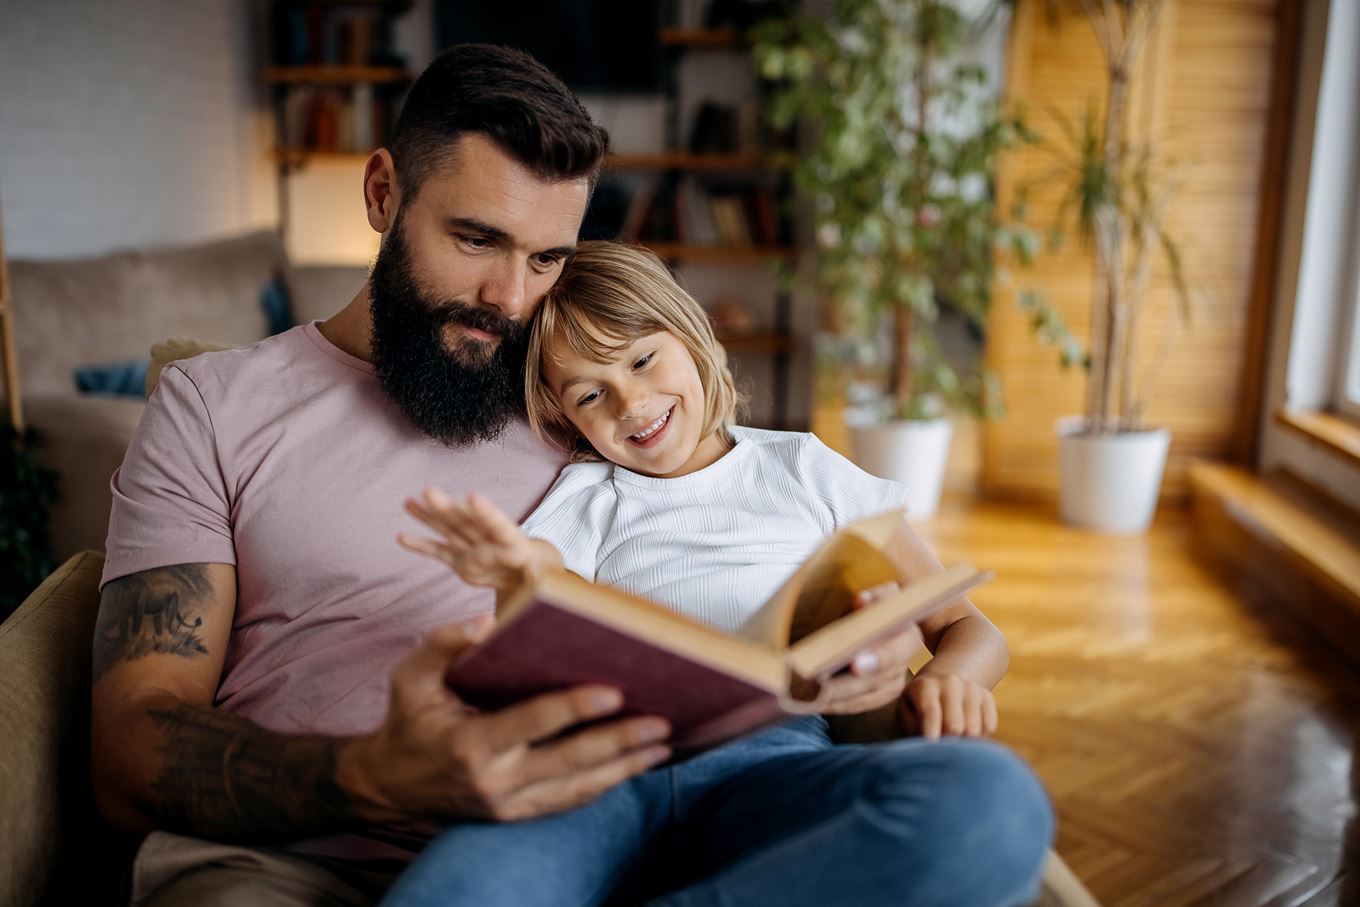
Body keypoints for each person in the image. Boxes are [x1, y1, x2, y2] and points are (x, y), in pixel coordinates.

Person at [88, 42, 1046, 907]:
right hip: (297, 851)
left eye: (547, 256)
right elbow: (129, 747)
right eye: (476, 239)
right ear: (382, 194)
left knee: (988, 811)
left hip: (607, 826)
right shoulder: (216, 405)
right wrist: (373, 773)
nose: (510, 298)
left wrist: (876, 671)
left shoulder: (574, 392)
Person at [381, 241, 1053, 906]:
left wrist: (948, 682)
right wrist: (520, 576)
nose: (630, 403)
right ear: (564, 414)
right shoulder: (588, 496)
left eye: (643, 359)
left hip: (774, 765)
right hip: (603, 774)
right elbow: (545, 588)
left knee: (993, 800)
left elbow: (966, 625)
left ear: (689, 332)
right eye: (591, 394)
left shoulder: (803, 467)